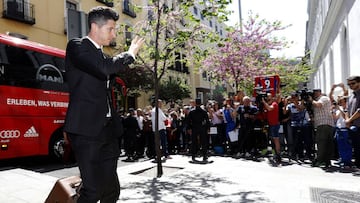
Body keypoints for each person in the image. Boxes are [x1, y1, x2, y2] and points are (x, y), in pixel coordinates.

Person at [63, 6, 144, 203]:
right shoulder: (77, 46)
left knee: (111, 191)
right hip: (86, 130)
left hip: (108, 130)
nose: (114, 34)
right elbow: (103, 69)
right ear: (95, 27)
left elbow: (107, 70)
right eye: (111, 29)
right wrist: (130, 53)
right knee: (92, 192)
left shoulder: (101, 56)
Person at [310, 89, 335, 168]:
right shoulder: (315, 100)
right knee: (325, 143)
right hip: (321, 124)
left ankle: (321, 161)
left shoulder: (323, 98)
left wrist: (310, 100)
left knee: (321, 143)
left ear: (319, 92)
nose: (313, 94)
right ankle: (326, 161)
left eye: (315, 92)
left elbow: (319, 105)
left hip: (324, 123)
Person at [345, 76, 360, 168]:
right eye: (349, 84)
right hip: (353, 127)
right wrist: (347, 121)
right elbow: (347, 110)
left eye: (353, 83)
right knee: (356, 148)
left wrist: (349, 120)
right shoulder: (351, 96)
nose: (350, 85)